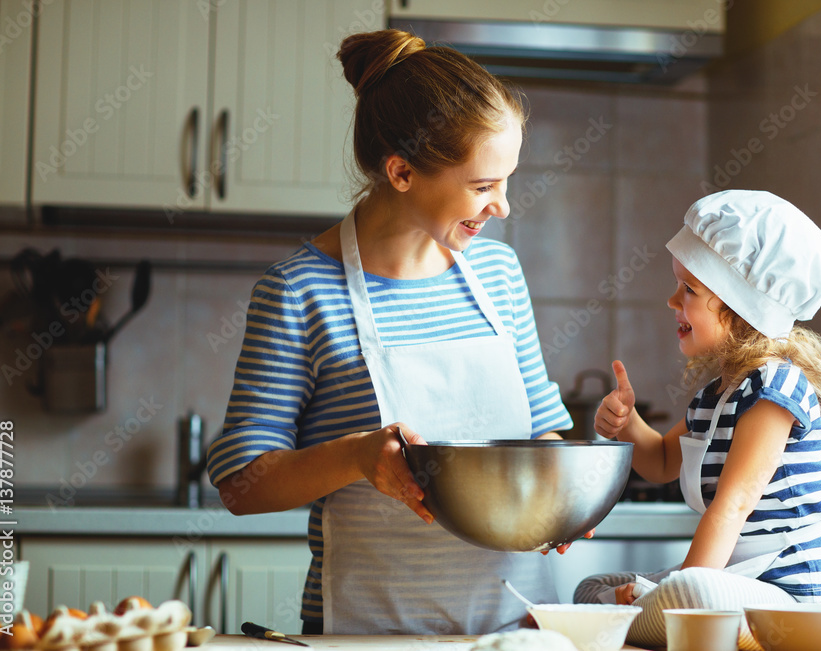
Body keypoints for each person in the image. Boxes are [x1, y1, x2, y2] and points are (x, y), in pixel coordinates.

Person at [205, 29, 573, 636]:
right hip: (364, 632)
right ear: (402, 172)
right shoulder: (300, 291)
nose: (503, 206)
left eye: (506, 181)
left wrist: (565, 500)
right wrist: (355, 456)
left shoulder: (498, 273)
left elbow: (543, 431)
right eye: (483, 187)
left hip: (516, 627)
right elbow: (242, 484)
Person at [575, 190, 821, 645]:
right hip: (738, 581)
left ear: (740, 305)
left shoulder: (775, 389)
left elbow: (733, 506)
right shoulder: (717, 396)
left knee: (688, 587)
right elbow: (663, 462)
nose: (672, 301)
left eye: (689, 289)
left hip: (793, 591)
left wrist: (678, 591)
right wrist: (628, 424)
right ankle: (647, 609)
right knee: (589, 588)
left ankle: (650, 612)